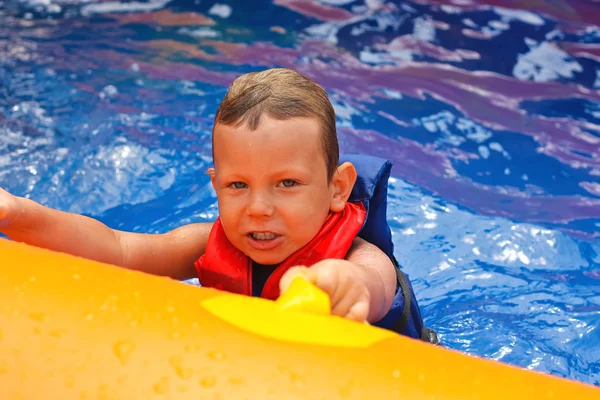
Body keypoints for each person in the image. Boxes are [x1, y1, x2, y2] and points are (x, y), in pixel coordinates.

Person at [0, 68, 437, 342]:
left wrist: (344, 285)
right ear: (215, 185)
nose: (258, 208)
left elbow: (372, 286)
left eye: (287, 183)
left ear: (337, 188)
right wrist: (18, 214)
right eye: (238, 185)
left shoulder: (359, 257)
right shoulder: (206, 245)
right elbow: (117, 249)